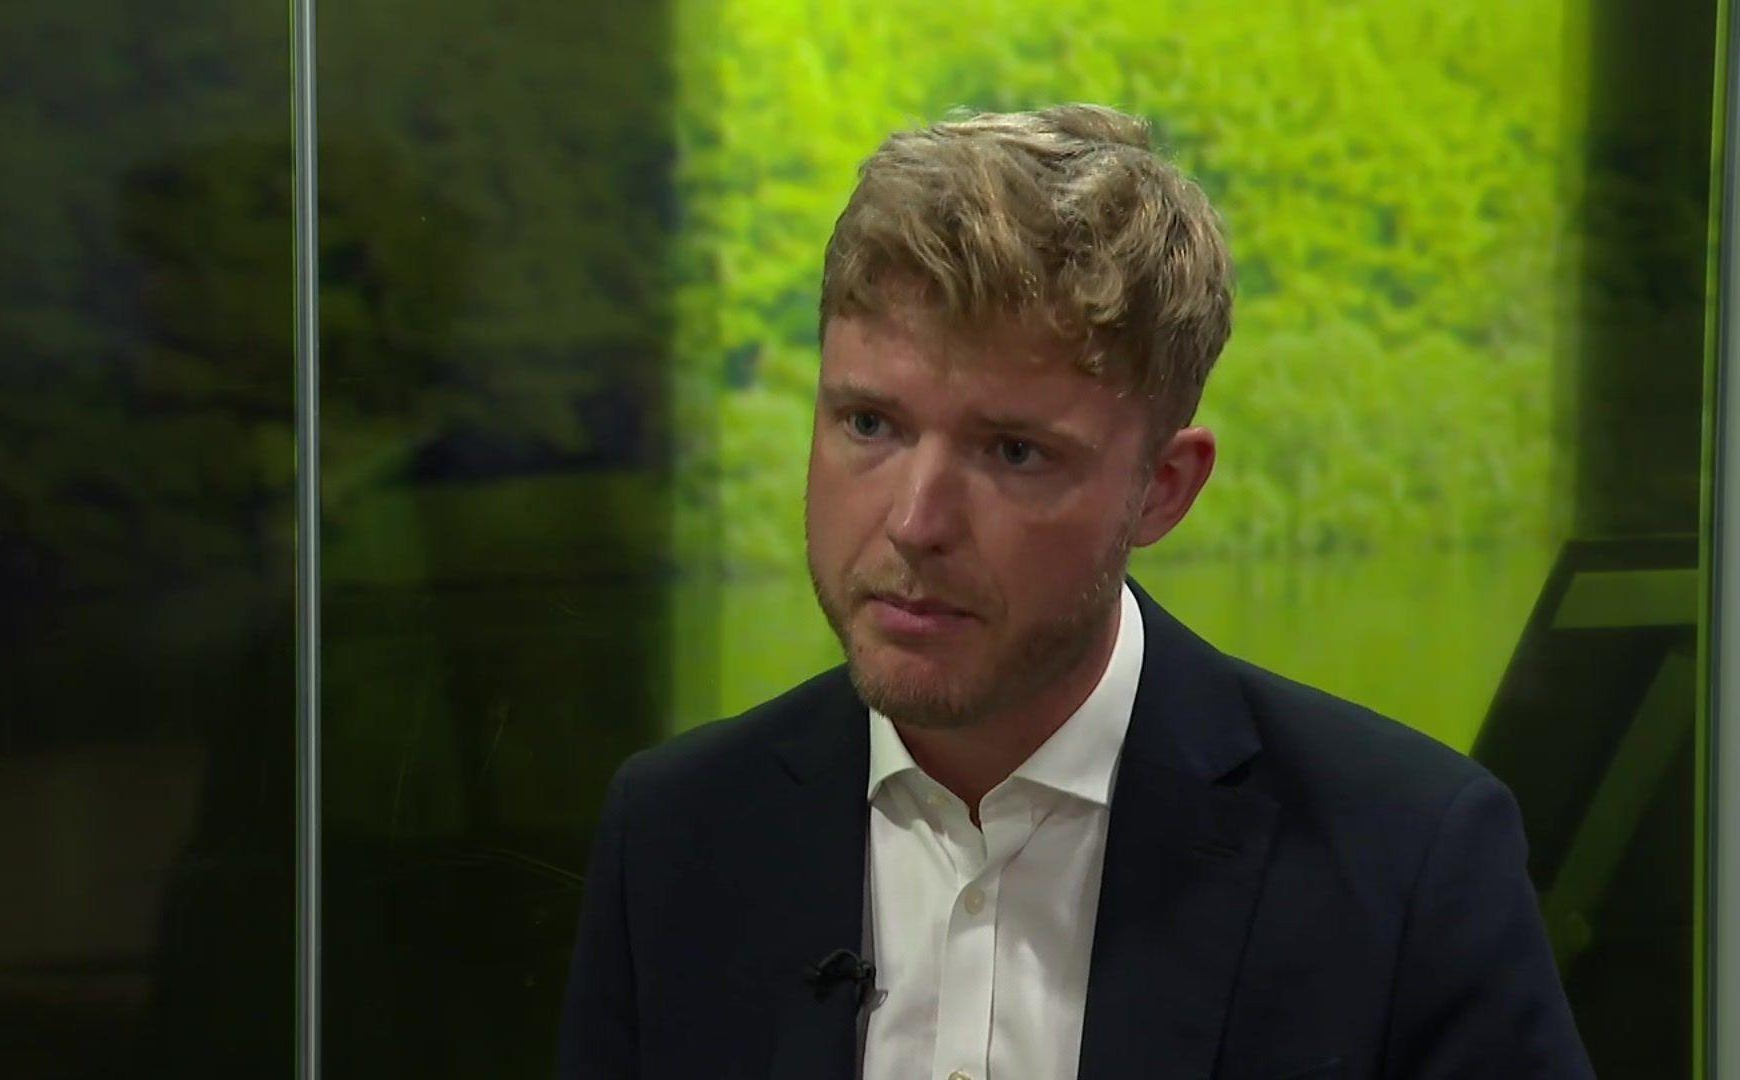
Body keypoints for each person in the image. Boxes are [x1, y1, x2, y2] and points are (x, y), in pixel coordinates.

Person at [558, 104, 1592, 1079]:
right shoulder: (676, 839)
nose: (916, 521)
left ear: (1163, 490)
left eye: (1013, 452)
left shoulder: (1402, 862)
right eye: (870, 424)